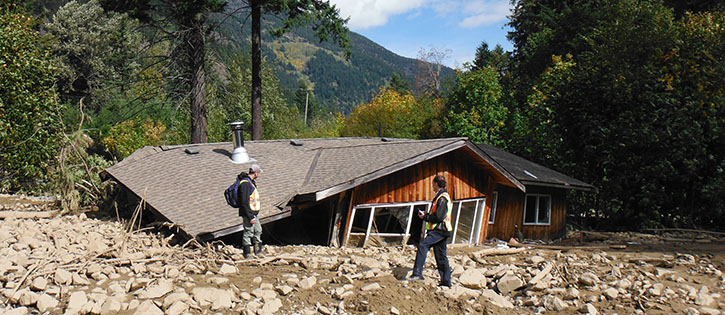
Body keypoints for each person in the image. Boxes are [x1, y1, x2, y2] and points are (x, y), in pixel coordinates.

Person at [409, 175, 452, 287]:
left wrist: (425, 217)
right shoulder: (442, 197)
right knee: (441, 256)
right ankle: (446, 282)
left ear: (436, 184)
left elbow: (439, 217)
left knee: (423, 245)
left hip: (439, 230)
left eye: (433, 184)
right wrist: (427, 215)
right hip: (442, 230)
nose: (432, 186)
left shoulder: (441, 198)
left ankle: (417, 273)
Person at [238, 164, 263, 258]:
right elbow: (244, 202)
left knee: (258, 230)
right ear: (255, 173)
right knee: (248, 232)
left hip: (254, 213)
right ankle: (247, 253)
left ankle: (258, 251)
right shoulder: (245, 184)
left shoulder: (251, 183)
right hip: (249, 213)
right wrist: (250, 216)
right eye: (259, 173)